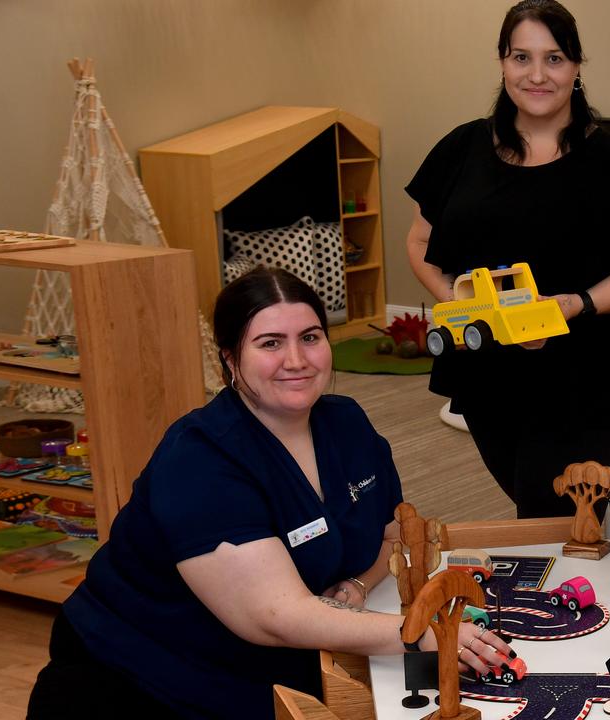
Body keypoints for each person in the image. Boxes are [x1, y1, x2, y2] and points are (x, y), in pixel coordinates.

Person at [27, 267, 511, 719]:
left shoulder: (346, 423)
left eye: (310, 338)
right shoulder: (199, 459)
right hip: (142, 675)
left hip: (286, 666)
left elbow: (388, 535)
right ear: (231, 359)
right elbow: (272, 616)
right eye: (270, 343)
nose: (296, 360)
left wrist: (357, 587)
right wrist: (422, 631)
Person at [405, 0, 610, 519]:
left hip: (594, 375)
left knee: (552, 517)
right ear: (502, 62)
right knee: (544, 512)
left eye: (554, 59)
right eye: (521, 57)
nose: (536, 74)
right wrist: (468, 308)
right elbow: (420, 245)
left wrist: (576, 303)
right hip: (490, 379)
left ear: (576, 66)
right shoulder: (461, 148)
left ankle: (562, 597)